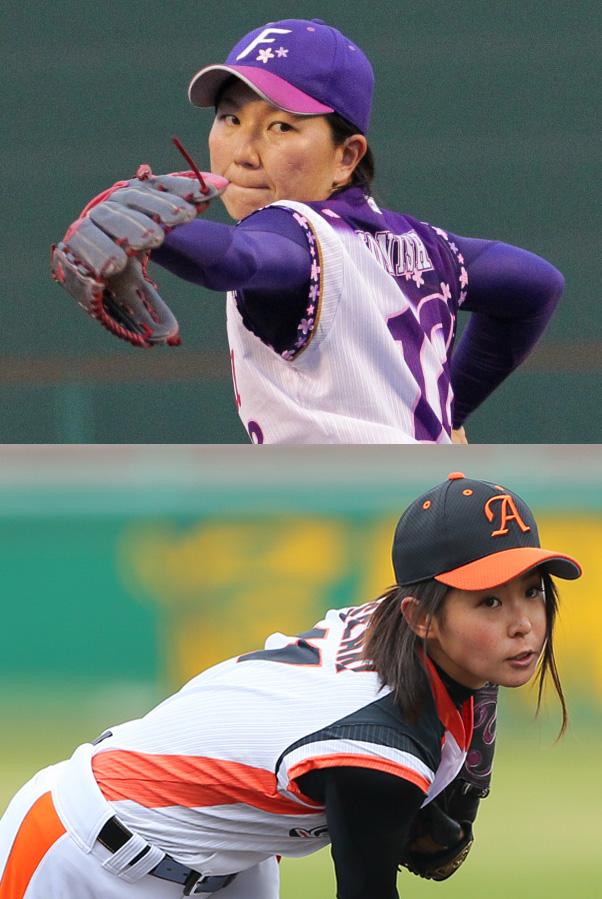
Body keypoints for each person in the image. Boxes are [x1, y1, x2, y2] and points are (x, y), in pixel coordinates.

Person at [0, 472, 582, 898]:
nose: (522, 622)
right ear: (419, 616)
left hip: (232, 866)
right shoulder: (378, 740)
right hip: (81, 851)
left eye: (532, 590)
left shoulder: (409, 638)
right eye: (489, 601)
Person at [52, 19, 566, 445]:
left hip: (357, 527)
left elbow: (241, 258)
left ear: (346, 156)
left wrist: (161, 235)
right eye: (230, 119)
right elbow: (537, 285)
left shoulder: (291, 227)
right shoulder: (427, 247)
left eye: (282, 127)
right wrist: (451, 409)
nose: (244, 150)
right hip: (435, 520)